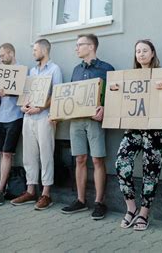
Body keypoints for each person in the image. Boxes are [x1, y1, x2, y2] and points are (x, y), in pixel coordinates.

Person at [115, 40, 162, 231]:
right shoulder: (129, 77)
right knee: (122, 164)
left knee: (151, 170)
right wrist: (116, 91)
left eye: (145, 50)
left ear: (153, 53)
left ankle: (144, 213)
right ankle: (131, 207)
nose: (141, 54)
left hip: (155, 129)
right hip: (133, 128)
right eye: (137, 51)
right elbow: (121, 101)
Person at [61, 34, 114, 220]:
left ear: (91, 46)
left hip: (95, 121)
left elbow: (115, 94)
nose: (76, 48)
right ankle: (81, 200)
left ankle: (100, 202)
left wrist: (105, 108)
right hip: (76, 121)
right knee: (80, 159)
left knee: (98, 160)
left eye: (79, 45)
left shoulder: (106, 68)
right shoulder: (75, 70)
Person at [11, 39, 63, 210]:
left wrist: (40, 107)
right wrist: (24, 105)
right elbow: (27, 93)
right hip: (29, 118)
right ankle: (30, 190)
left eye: (35, 49)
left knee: (46, 155)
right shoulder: (32, 71)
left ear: (44, 50)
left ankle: (46, 194)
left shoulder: (55, 69)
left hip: (44, 117)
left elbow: (57, 94)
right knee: (29, 155)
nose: (33, 53)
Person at [0, 43, 24, 206]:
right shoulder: (0, 71)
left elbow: (22, 92)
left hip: (15, 116)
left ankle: (0, 189)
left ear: (11, 53)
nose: (0, 58)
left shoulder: (21, 70)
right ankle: (2, 185)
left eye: (2, 55)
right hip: (1, 116)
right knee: (2, 153)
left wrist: (7, 92)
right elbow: (2, 95)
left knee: (7, 153)